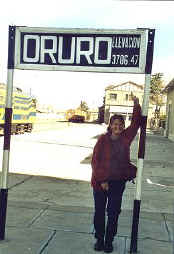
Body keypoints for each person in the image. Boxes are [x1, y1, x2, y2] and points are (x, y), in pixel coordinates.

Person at [91, 94, 141, 253]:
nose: (118, 127)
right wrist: (103, 180)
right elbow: (95, 162)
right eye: (115, 124)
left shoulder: (126, 138)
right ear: (110, 125)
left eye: (120, 124)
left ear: (122, 126)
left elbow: (136, 123)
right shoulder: (102, 140)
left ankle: (108, 241)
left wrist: (136, 104)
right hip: (100, 183)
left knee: (113, 213)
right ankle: (99, 239)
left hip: (118, 183)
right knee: (99, 212)